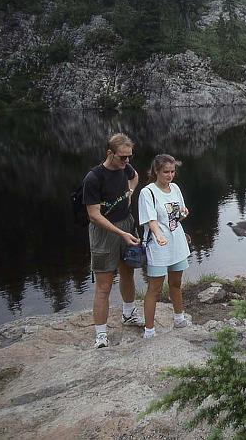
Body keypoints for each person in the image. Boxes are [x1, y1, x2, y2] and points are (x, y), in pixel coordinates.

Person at [83, 133, 144, 349]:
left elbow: (135, 176)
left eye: (129, 157)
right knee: (104, 285)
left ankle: (128, 313)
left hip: (126, 224)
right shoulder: (94, 178)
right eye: (122, 157)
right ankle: (101, 335)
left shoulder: (125, 168)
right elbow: (94, 215)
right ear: (110, 153)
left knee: (127, 272)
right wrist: (120, 233)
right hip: (104, 232)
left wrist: (130, 192)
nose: (127, 161)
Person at [138, 154, 191, 339]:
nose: (170, 175)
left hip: (177, 243)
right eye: (166, 172)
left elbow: (176, 217)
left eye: (172, 171)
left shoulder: (175, 188)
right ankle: (149, 330)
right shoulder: (148, 192)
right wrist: (159, 235)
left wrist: (183, 213)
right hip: (158, 246)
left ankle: (179, 318)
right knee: (155, 288)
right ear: (156, 171)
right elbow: (151, 220)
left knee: (176, 283)